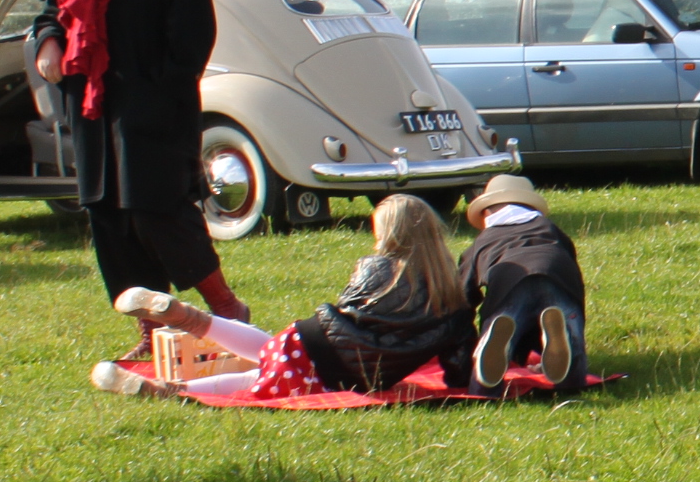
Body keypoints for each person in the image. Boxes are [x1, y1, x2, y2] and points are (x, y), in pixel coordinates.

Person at [32, 0, 245, 323]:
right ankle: (152, 326)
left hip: (152, 103)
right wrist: (48, 43)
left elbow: (195, 28)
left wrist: (164, 92)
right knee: (109, 216)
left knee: (157, 209)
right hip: (92, 104)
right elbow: (52, 11)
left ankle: (226, 309)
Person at [98, 192, 471, 402]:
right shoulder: (453, 298)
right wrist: (460, 377)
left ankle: (184, 322)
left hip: (318, 341)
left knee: (265, 361)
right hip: (351, 371)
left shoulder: (376, 267)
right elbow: (457, 361)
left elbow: (350, 307)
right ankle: (167, 390)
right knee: (259, 376)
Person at [459, 172, 588, 392]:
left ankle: (485, 386)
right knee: (567, 333)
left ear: (487, 212)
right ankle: (568, 368)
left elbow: (463, 295)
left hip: (508, 280)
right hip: (556, 272)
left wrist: (464, 339)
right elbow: (572, 267)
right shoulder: (550, 229)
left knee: (503, 327)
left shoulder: (482, 241)